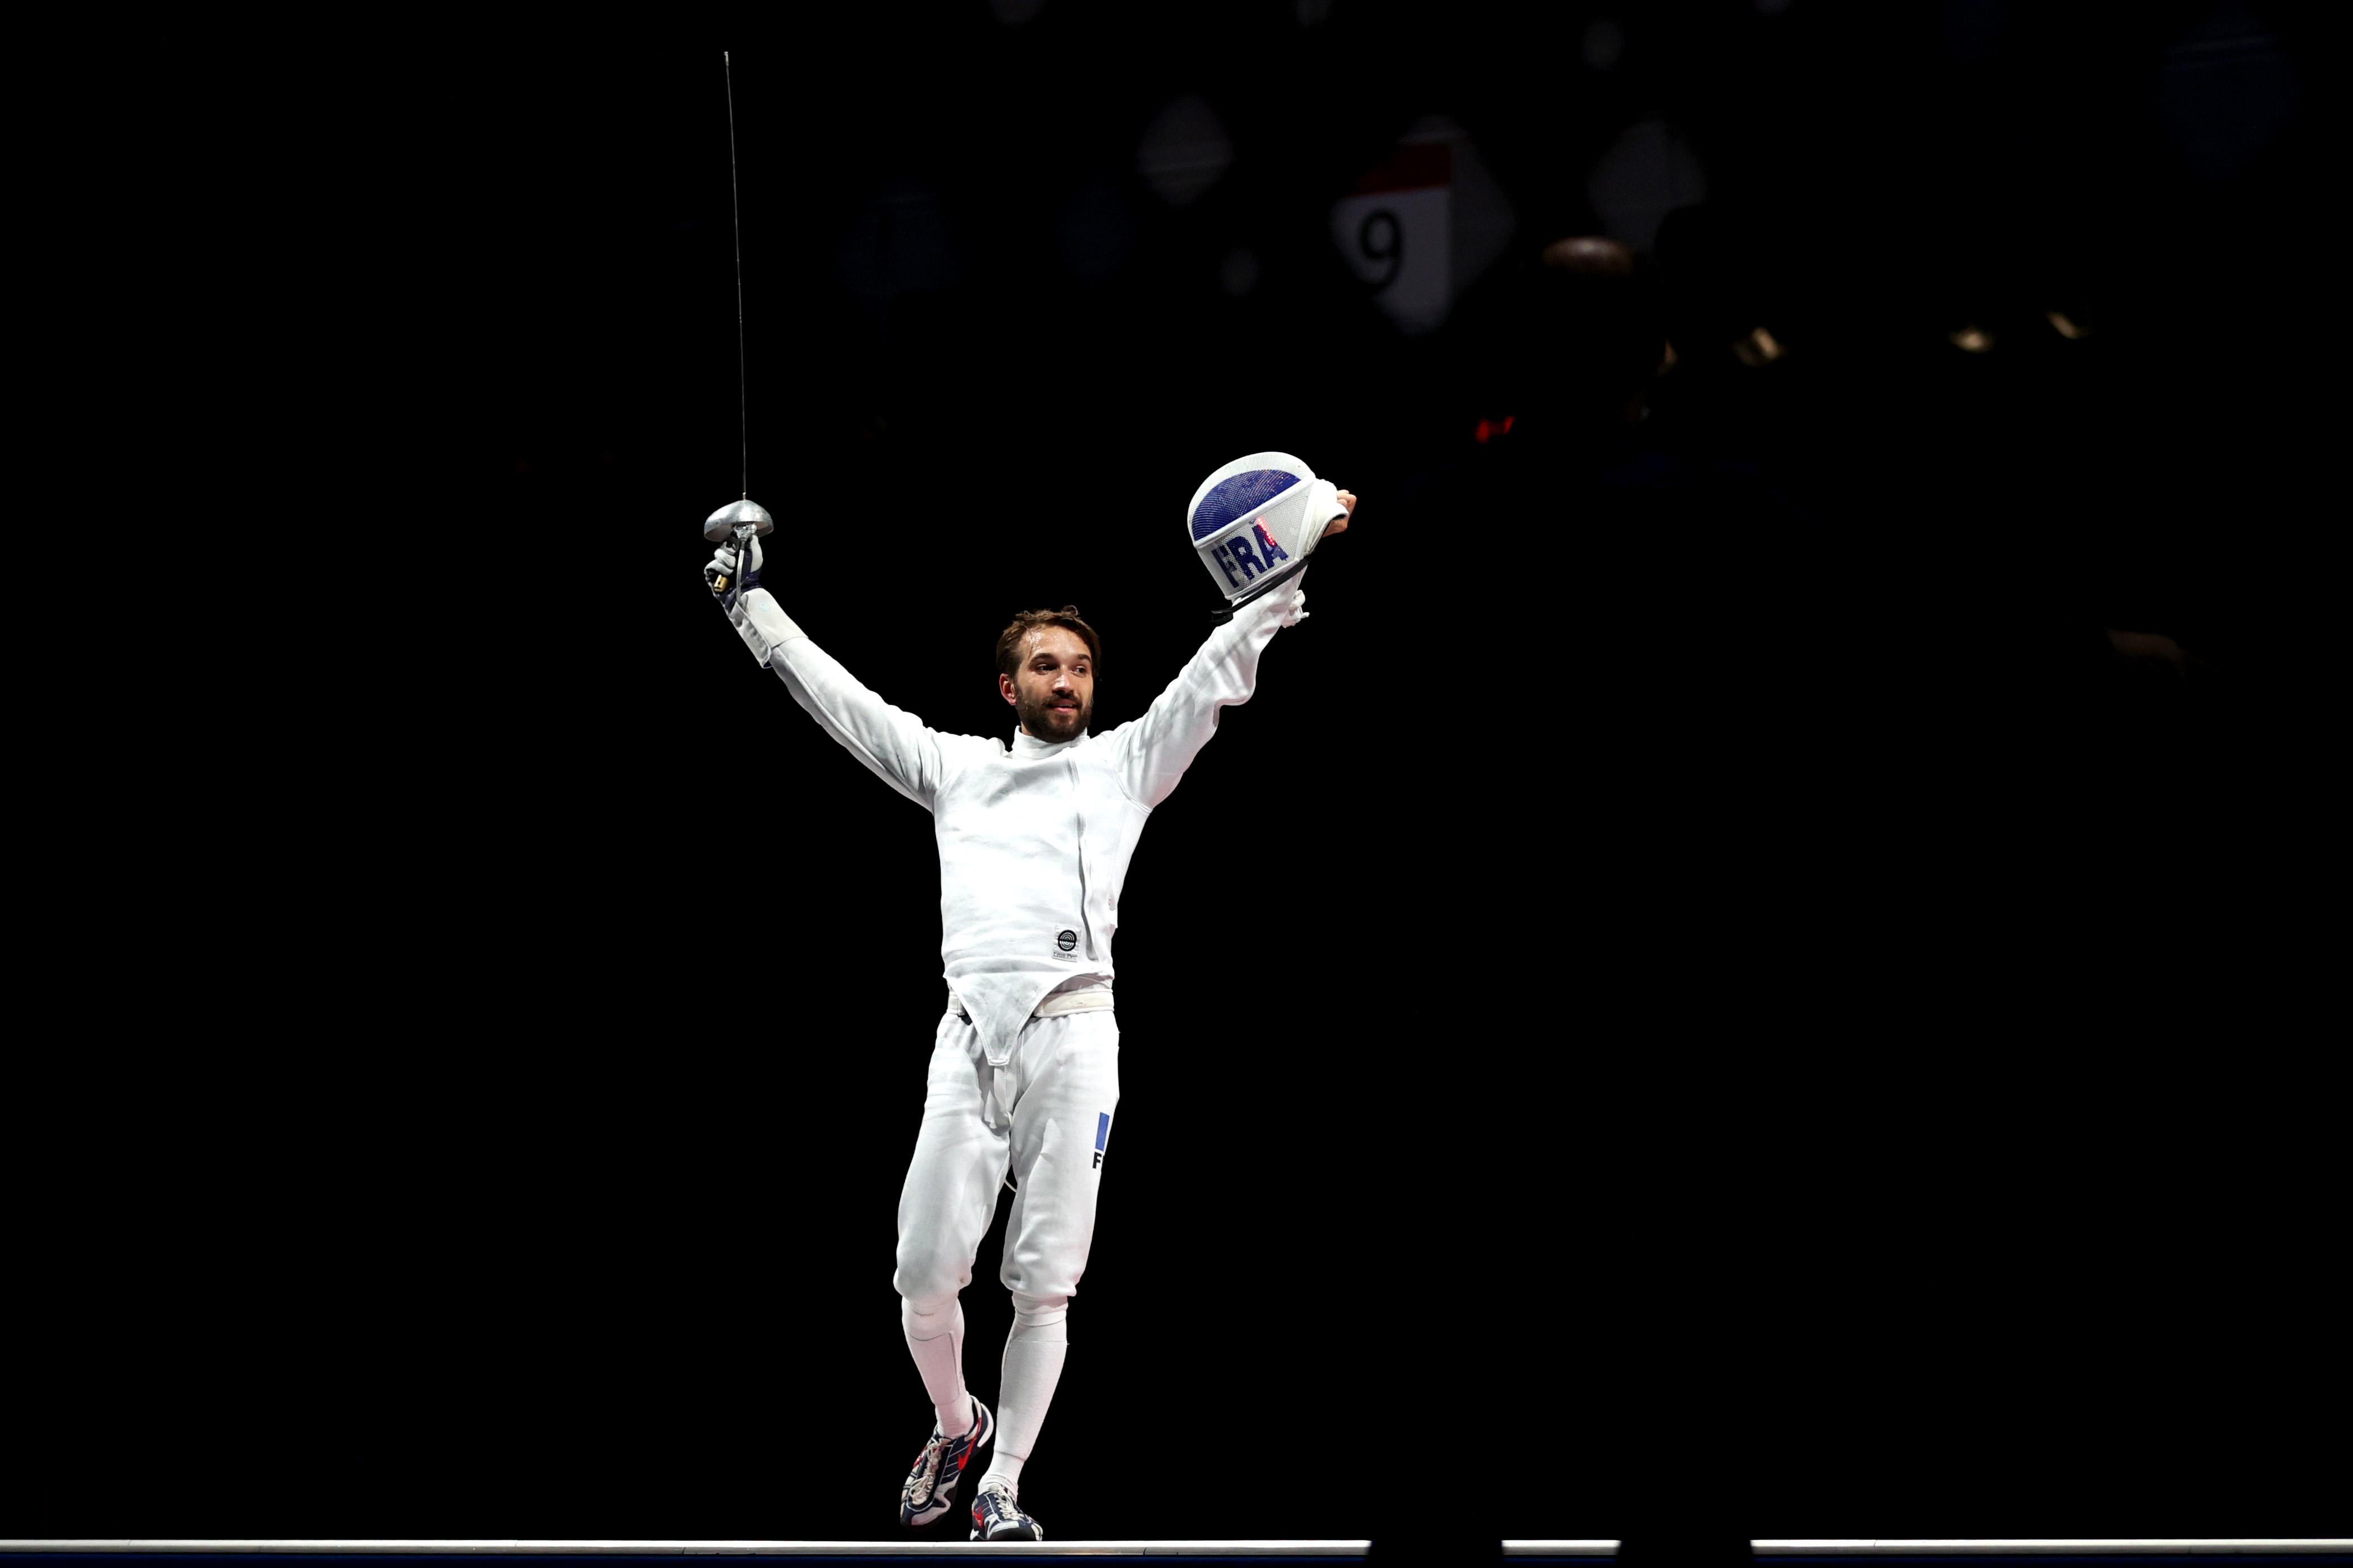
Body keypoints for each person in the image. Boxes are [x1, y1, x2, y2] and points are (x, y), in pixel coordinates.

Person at [701, 474, 1354, 1542]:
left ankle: (1002, 1484)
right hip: (968, 1038)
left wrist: (1300, 554)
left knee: (1045, 1282)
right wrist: (749, 606)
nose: (1068, 680)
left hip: (1076, 1034)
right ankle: (956, 1424)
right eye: (1047, 666)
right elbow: (839, 699)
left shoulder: (1126, 766)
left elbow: (1215, 670)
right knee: (922, 1276)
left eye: (1081, 666)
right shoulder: (954, 772)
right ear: (1007, 687)